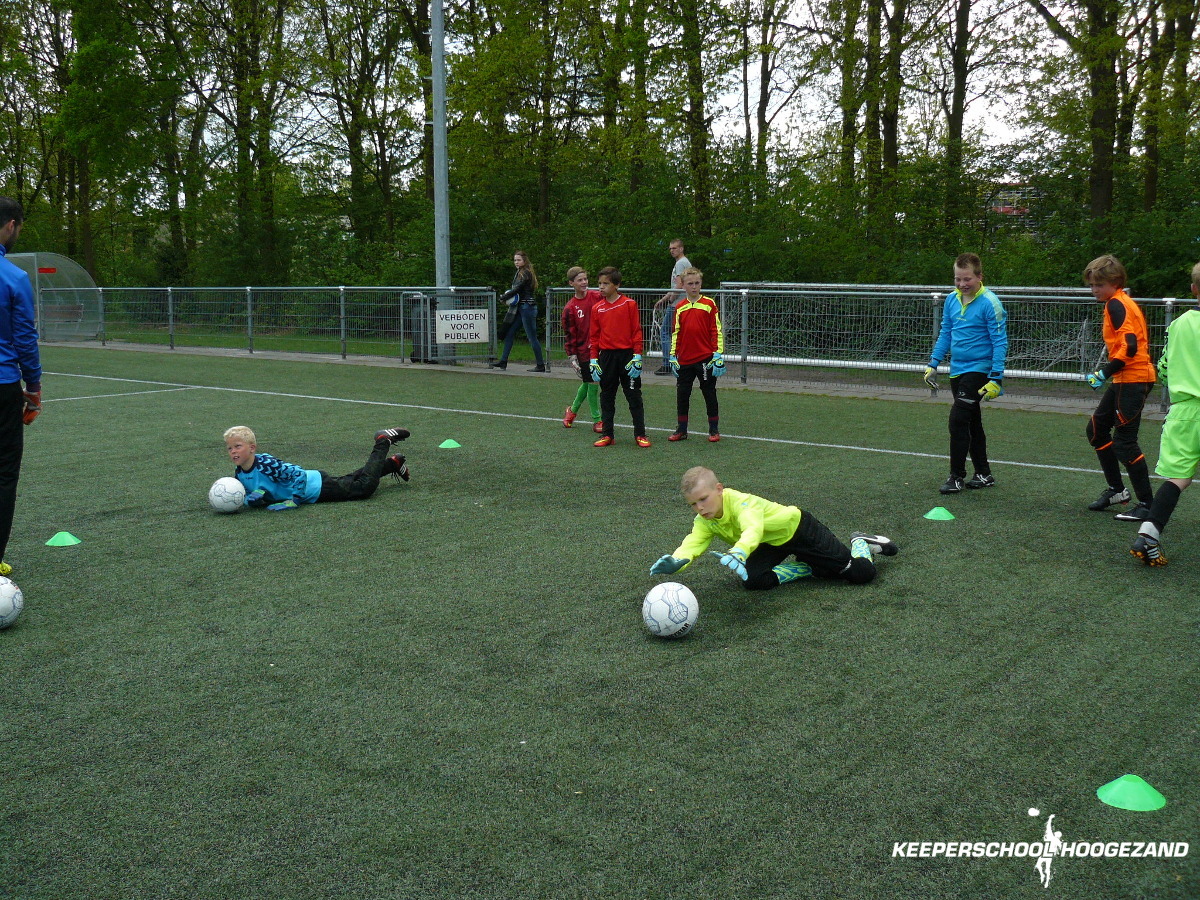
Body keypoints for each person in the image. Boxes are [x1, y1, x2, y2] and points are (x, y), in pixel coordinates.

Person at [649, 466, 897, 590]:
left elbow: (753, 528)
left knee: (860, 574)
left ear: (719, 489)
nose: (700, 508)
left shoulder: (742, 503)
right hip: (770, 543)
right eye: (693, 504)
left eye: (703, 499)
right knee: (753, 580)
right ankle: (808, 566)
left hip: (799, 529)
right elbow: (694, 541)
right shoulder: (704, 520)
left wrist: (740, 551)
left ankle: (860, 541)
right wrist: (679, 561)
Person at [1130, 261, 1200, 566]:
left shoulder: (1178, 324)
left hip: (1183, 411)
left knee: (1177, 479)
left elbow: (1164, 367)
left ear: (1193, 289)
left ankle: (1149, 534)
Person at [924, 252, 1008, 494]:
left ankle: (956, 476)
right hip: (957, 370)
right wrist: (933, 363)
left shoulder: (990, 303)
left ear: (980, 277)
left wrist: (996, 378)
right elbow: (946, 333)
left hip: (979, 370)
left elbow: (1000, 342)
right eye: (957, 279)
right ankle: (984, 474)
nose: (962, 284)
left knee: (958, 420)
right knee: (972, 422)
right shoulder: (952, 299)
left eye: (967, 279)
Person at [1080, 255, 1156, 521]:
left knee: (1125, 443)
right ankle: (1117, 490)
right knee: (1097, 430)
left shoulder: (1116, 304)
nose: (1094, 290)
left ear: (1115, 282)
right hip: (1125, 379)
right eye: (1091, 285)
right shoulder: (1118, 302)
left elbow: (1130, 346)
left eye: (1099, 284)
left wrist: (1104, 372)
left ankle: (1147, 504)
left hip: (1133, 379)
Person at [224, 425, 411, 511]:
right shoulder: (239, 474)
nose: (233, 451)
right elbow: (256, 494)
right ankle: (393, 463)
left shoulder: (266, 463)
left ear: (252, 448)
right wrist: (252, 500)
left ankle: (383, 441)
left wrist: (294, 500)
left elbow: (297, 473)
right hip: (316, 485)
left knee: (364, 488)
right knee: (352, 480)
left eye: (238, 446)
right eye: (230, 448)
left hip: (316, 487)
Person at [0, 197, 41, 577]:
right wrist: (34, 386)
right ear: (11, 225)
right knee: (3, 471)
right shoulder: (13, 277)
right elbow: (25, 338)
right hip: (2, 385)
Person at [589, 266, 650, 448]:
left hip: (627, 357)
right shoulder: (597, 308)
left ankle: (640, 434)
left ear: (616, 285)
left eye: (605, 283)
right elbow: (594, 337)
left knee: (633, 396)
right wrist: (594, 359)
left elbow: (636, 331)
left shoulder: (629, 304)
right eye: (599, 283)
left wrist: (637, 356)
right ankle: (607, 434)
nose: (601, 287)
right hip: (607, 358)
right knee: (607, 396)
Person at [667, 266, 725, 442]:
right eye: (690, 283)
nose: (694, 287)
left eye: (697, 283)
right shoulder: (680, 307)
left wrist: (718, 354)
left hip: (705, 359)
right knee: (682, 395)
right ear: (684, 285)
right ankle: (681, 430)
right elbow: (676, 332)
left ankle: (713, 429)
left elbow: (716, 330)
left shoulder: (709, 304)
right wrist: (672, 355)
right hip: (684, 360)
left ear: (701, 284)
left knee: (709, 393)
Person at [560, 266, 603, 432]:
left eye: (585, 279)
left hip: (601, 347)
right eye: (580, 280)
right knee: (593, 382)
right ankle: (597, 420)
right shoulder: (570, 308)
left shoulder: (597, 296)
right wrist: (572, 356)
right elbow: (570, 334)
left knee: (588, 382)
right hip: (584, 352)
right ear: (571, 283)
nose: (584, 282)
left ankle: (571, 412)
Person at [491, 250, 545, 372]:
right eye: (515, 260)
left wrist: (503, 297)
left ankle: (540, 365)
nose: (516, 262)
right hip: (521, 307)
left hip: (527, 307)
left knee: (532, 337)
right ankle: (503, 361)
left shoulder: (525, 273)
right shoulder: (521, 272)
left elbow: (517, 289)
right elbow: (517, 290)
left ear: (524, 261)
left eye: (519, 260)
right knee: (509, 333)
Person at [652, 239, 691, 375]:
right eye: (670, 248)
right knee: (677, 333)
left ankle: (667, 363)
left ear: (681, 249)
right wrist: (664, 299)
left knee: (665, 331)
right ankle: (678, 362)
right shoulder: (683, 263)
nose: (671, 251)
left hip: (677, 304)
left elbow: (679, 285)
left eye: (674, 248)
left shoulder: (681, 264)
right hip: (681, 303)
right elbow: (676, 285)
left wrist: (671, 300)